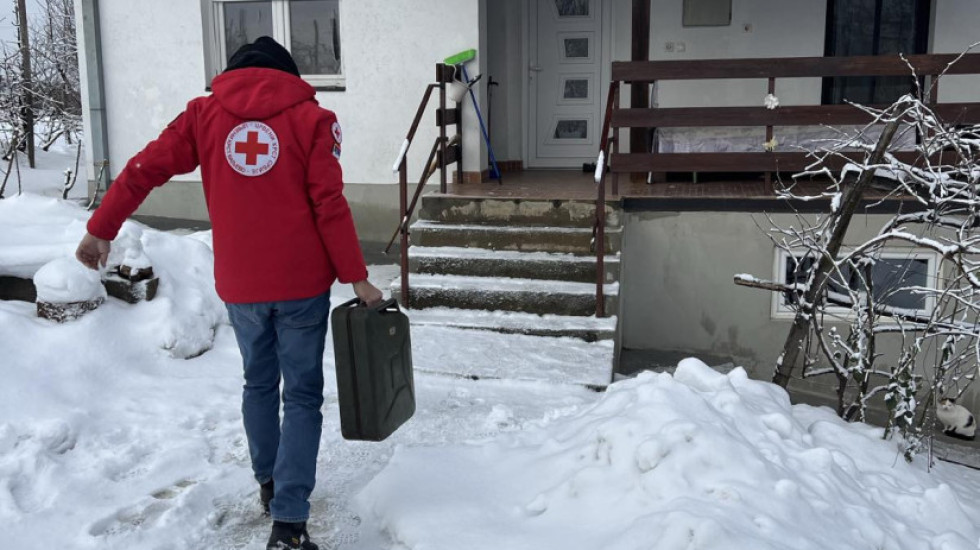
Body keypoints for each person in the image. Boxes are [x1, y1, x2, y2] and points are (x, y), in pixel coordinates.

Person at [76, 36, 382, 550]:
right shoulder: (313, 120)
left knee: (258, 385)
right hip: (302, 285)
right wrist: (357, 276)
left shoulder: (203, 115)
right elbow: (329, 203)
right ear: (286, 75)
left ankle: (269, 483)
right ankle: (288, 522)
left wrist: (101, 227)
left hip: (241, 286)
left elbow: (143, 168)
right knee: (302, 395)